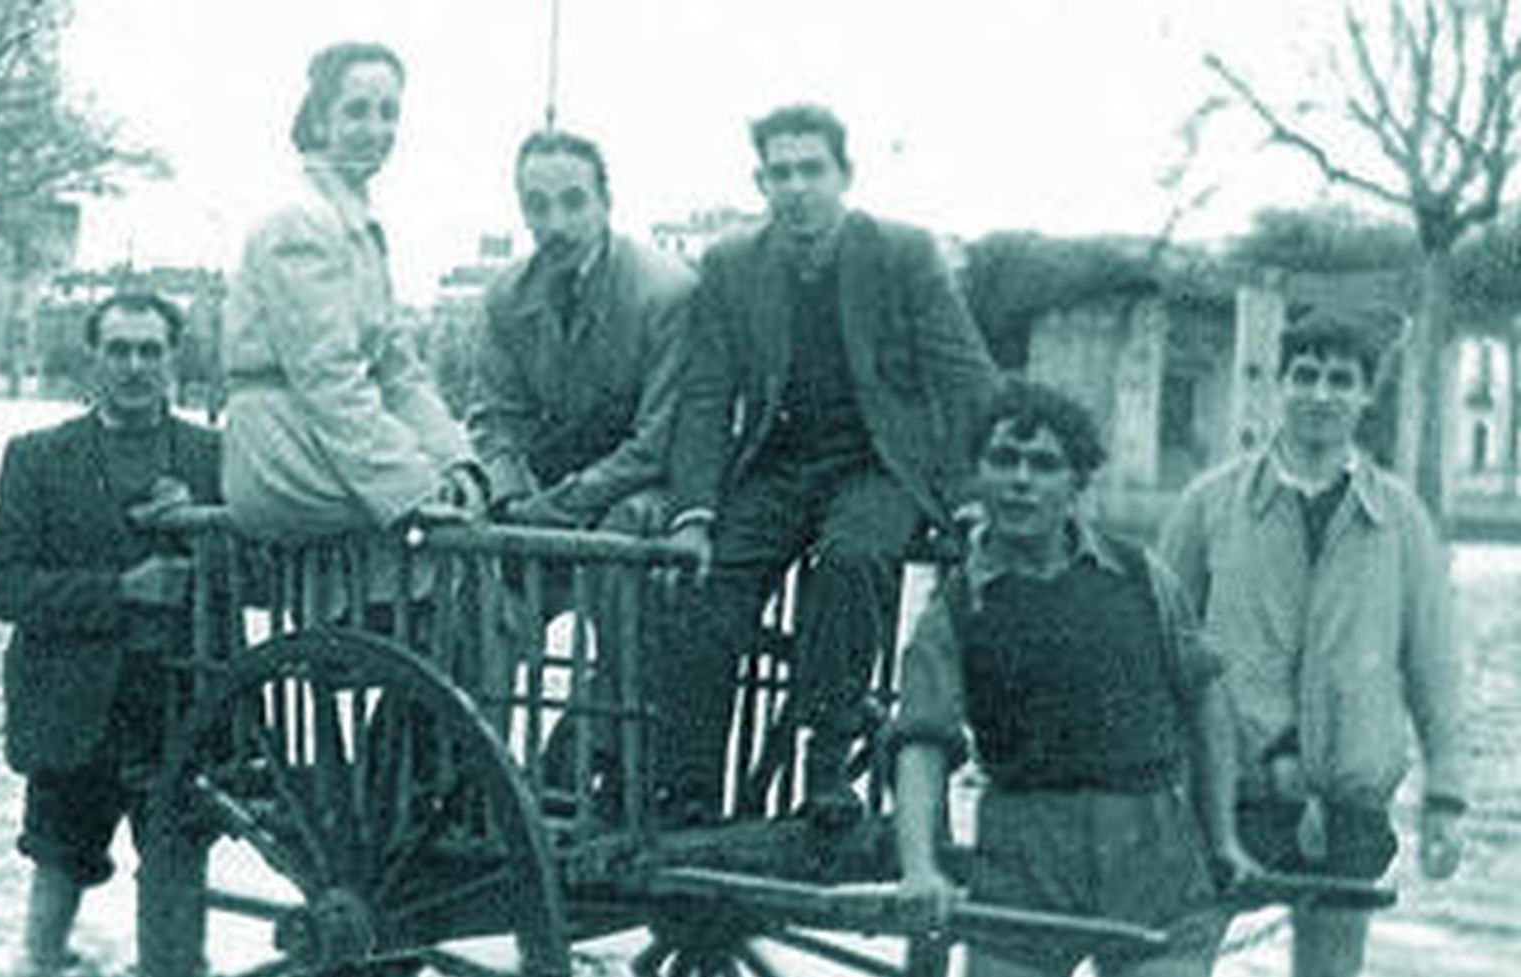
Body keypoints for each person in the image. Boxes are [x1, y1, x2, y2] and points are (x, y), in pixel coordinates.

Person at [891, 378, 1246, 977]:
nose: (1020, 479)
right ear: (981, 473)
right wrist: (919, 867)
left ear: (1077, 482)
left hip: (1154, 859)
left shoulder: (1143, 578)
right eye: (1004, 458)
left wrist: (1223, 838)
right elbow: (921, 742)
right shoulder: (954, 608)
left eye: (1044, 463)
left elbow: (1209, 696)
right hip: (1025, 861)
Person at [659, 102, 998, 824]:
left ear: (845, 175)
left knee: (851, 559)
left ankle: (825, 761)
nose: (797, 188)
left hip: (878, 464)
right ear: (760, 183)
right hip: (778, 464)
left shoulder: (903, 255)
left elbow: (965, 379)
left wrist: (972, 493)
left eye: (812, 169)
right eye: (779, 173)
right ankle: (687, 788)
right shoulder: (731, 266)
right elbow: (706, 396)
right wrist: (693, 513)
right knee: (709, 585)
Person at [1159, 310, 1465, 977]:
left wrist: (1446, 799)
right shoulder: (1210, 503)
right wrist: (1152, 781)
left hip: (1346, 798)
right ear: (1277, 387)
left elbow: (1433, 667)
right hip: (1224, 791)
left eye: (1341, 380)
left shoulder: (1400, 520)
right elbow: (1158, 646)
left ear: (1365, 397)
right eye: (1306, 375)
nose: (1321, 394)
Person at [0, 292, 222, 970]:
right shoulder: (37, 457)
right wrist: (121, 590)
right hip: (70, 709)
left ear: (174, 358)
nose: (135, 366)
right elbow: (5, 588)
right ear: (94, 357)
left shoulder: (214, 458)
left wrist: (205, 521)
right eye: (119, 349)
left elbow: (259, 579)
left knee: (177, 899)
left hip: (179, 708)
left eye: (151, 350)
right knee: (52, 894)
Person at [468, 129, 694, 800]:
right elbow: (492, 417)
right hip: (549, 493)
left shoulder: (665, 292)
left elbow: (660, 440)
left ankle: (603, 755)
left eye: (573, 202)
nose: (555, 223)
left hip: (644, 487)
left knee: (621, 551)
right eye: (536, 205)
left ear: (606, 202)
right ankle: (473, 768)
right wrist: (509, 496)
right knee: (480, 578)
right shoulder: (507, 298)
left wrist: (557, 505)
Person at [222, 41, 485, 541]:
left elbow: (398, 370)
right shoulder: (299, 221)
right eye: (357, 112)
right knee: (457, 544)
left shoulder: (357, 225)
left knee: (464, 517)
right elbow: (327, 377)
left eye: (389, 113)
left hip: (325, 443)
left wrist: (455, 461)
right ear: (320, 121)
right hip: (283, 451)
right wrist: (413, 486)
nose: (377, 130)